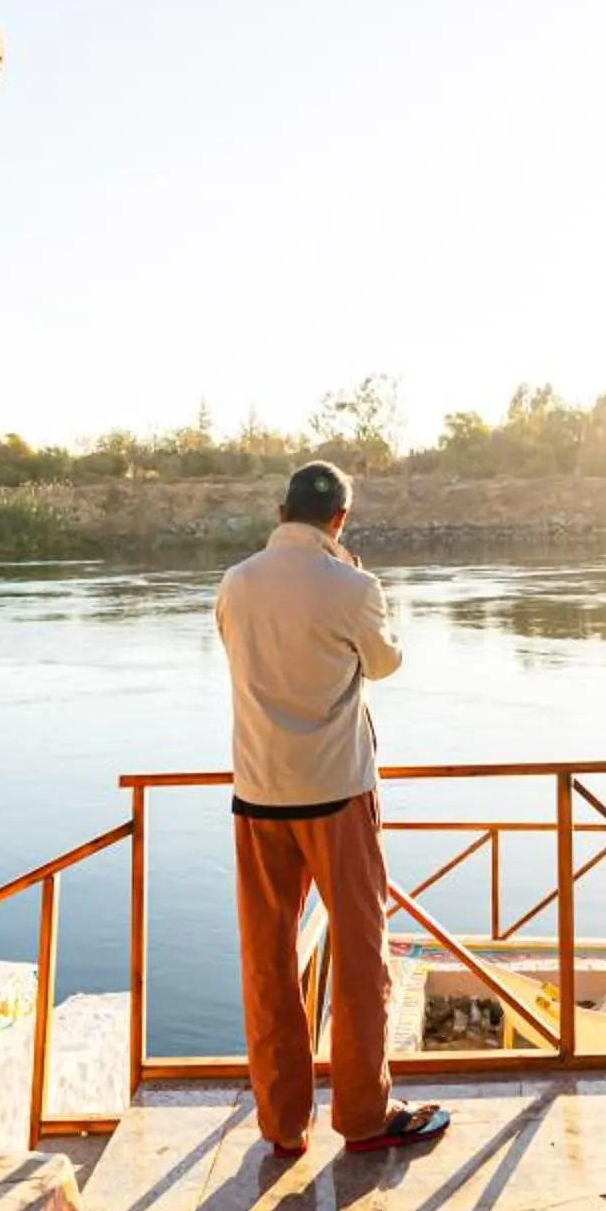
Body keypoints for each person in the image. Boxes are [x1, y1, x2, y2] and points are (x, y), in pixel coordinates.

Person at [214, 461, 449, 1155]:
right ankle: (364, 1116)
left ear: (279, 508)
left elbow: (242, 652)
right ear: (339, 520)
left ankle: (282, 1124)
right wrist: (351, 575)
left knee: (267, 959)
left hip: (258, 794)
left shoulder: (236, 582)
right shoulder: (354, 586)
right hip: (338, 794)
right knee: (357, 956)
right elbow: (385, 664)